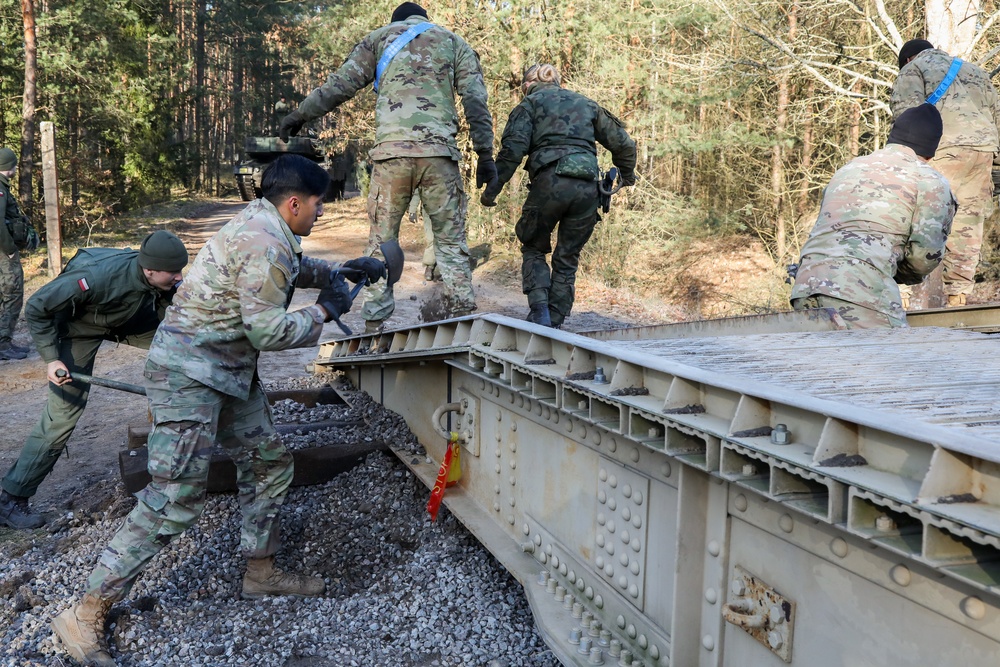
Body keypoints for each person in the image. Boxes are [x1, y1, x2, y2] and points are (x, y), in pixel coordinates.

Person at [50, 155, 385, 666]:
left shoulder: (264, 223)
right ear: (294, 202)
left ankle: (260, 571)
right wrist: (327, 309)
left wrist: (339, 271)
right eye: (318, 205)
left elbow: (284, 269)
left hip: (225, 372)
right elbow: (268, 332)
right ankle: (87, 609)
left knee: (269, 461)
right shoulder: (266, 240)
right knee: (176, 496)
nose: (320, 214)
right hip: (189, 376)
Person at [279, 1, 496, 332]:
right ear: (425, 20)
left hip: (391, 157)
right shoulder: (453, 42)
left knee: (381, 243)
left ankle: (374, 331)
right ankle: (462, 324)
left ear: (396, 21)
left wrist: (299, 115)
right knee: (451, 243)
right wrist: (485, 154)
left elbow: (340, 85)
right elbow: (475, 100)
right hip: (440, 157)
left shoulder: (378, 39)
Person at [0, 230, 188, 529]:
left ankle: (183, 443)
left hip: (125, 318)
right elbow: (37, 307)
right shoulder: (97, 277)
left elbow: (173, 315)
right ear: (149, 269)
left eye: (181, 270)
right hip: (79, 329)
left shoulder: (161, 276)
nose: (179, 277)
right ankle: (11, 498)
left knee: (188, 349)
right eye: (173, 272)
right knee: (63, 414)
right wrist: (52, 359)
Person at [480, 64, 636, 328]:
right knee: (567, 255)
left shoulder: (527, 106)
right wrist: (627, 176)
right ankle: (556, 318)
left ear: (527, 85)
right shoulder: (586, 104)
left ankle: (539, 308)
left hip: (548, 183)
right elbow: (624, 144)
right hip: (588, 188)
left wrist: (492, 190)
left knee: (533, 244)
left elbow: (512, 152)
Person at [790, 104, 957, 329]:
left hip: (806, 286)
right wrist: (895, 273)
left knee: (827, 361)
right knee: (898, 358)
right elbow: (924, 257)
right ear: (930, 151)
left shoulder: (849, 169)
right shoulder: (929, 180)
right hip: (860, 290)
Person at [890, 38, 1000, 307]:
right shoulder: (975, 70)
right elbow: (997, 115)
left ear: (907, 59)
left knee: (916, 216)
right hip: (982, 150)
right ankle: (958, 295)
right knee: (968, 225)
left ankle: (899, 294)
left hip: (940, 148)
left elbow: (906, 115)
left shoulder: (913, 68)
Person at [0, 146, 39, 361]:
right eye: (14, 165)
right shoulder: (0, 188)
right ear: (8, 167)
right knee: (12, 294)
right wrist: (10, 250)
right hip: (3, 253)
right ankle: (3, 344)